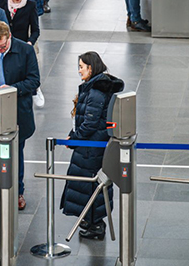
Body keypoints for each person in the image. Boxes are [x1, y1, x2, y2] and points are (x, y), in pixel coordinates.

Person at [0, 20, 40, 210]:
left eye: (2, 46)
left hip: (17, 108)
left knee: (16, 153)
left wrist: (12, 89)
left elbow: (34, 81)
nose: (0, 50)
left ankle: (17, 191)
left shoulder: (26, 51)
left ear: (9, 36)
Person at [61, 52, 124, 240]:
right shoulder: (98, 86)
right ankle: (91, 220)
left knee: (90, 186)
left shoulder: (95, 91)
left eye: (81, 66)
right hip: (94, 146)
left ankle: (96, 224)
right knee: (91, 185)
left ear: (91, 67)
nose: (79, 70)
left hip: (90, 148)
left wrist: (74, 139)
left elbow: (89, 122)